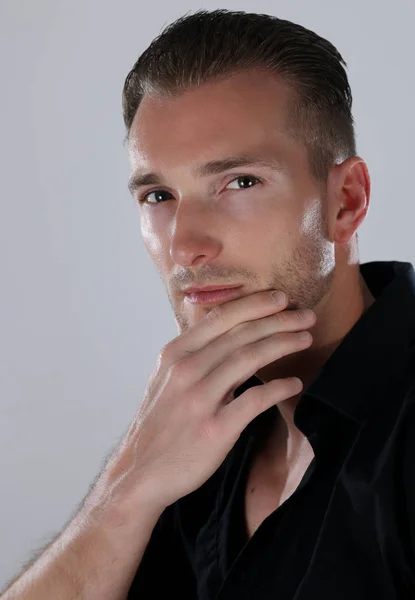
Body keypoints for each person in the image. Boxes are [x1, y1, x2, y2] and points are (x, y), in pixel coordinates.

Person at [2, 8, 415, 600]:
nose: (184, 246)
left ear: (345, 201)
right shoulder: (189, 432)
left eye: (239, 182)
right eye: (159, 194)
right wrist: (128, 489)